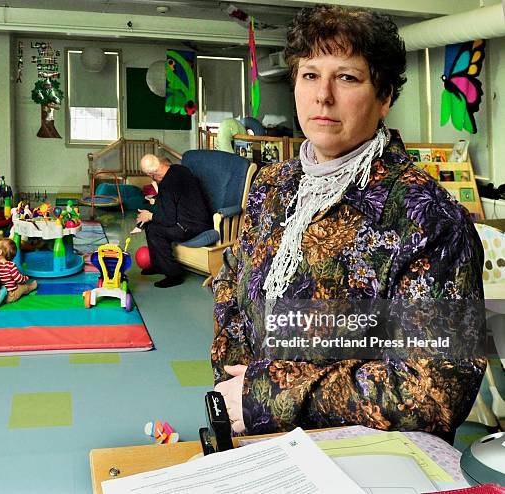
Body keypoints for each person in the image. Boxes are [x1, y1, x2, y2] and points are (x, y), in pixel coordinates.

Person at [211, 5, 485, 441]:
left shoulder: (428, 219)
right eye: (309, 75)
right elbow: (232, 280)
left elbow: (436, 390)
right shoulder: (274, 186)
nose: (323, 95)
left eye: (347, 77)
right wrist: (234, 383)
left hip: (364, 459)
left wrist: (266, 392)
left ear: (385, 97)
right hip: (255, 434)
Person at [136, 154, 212, 288]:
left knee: (155, 230)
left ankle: (173, 274)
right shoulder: (179, 169)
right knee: (151, 225)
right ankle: (158, 265)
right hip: (200, 219)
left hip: (191, 226)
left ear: (150, 174)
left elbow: (168, 220)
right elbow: (170, 204)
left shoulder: (166, 185)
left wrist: (149, 216)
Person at [0, 238, 37, 303]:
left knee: (13, 281)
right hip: (9, 296)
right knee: (23, 287)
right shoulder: (11, 265)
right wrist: (25, 278)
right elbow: (18, 279)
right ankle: (31, 286)